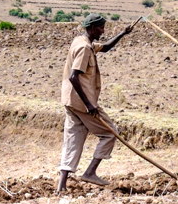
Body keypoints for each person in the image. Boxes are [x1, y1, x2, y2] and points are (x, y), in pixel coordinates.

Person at [57, 13, 136, 193]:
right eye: (100, 28)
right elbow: (73, 76)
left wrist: (123, 33)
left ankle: (61, 186)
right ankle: (90, 172)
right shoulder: (85, 48)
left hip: (69, 100)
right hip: (81, 102)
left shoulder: (82, 41)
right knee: (110, 133)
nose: (103, 31)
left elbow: (106, 47)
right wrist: (89, 105)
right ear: (92, 28)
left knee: (73, 139)